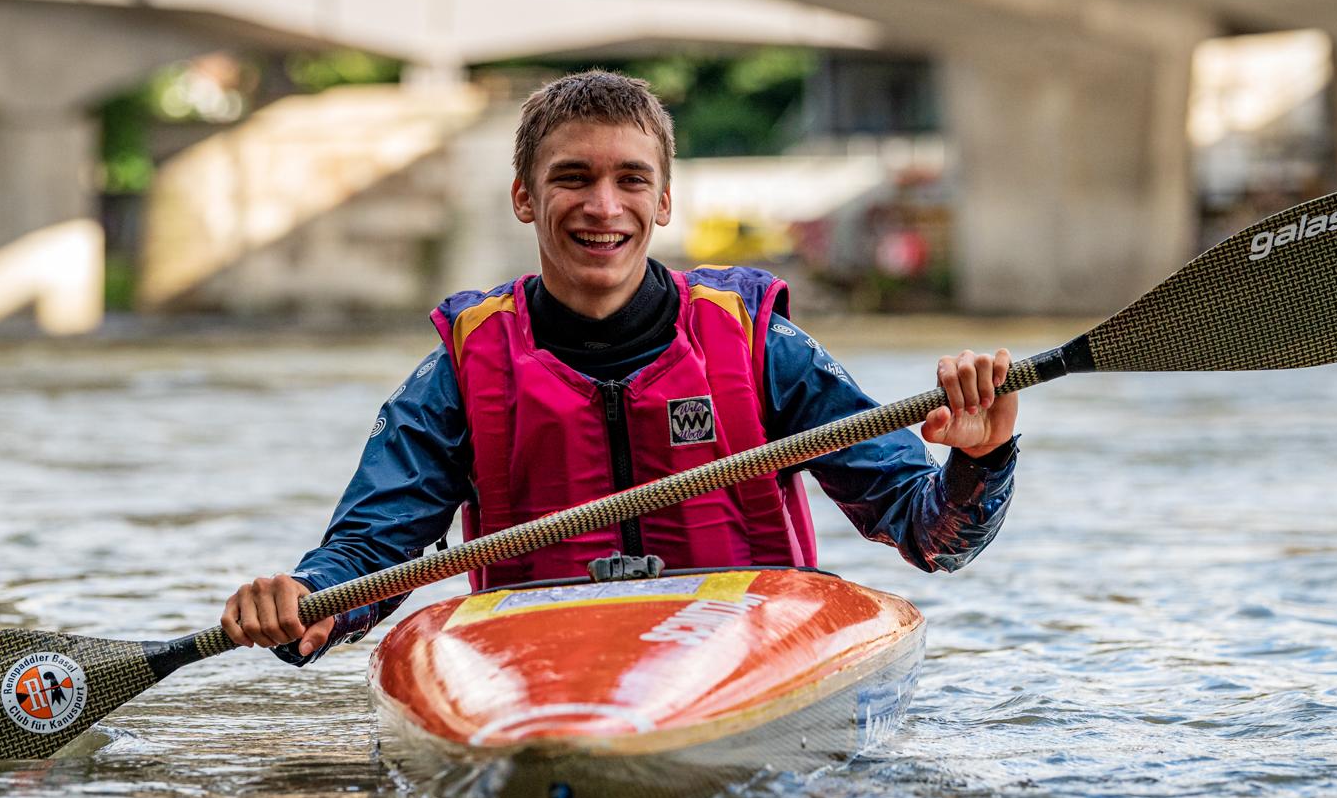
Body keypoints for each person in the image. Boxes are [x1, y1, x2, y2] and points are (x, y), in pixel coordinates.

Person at [221, 70, 1019, 660]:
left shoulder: (761, 349)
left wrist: (979, 459)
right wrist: (303, 602)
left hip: (739, 657)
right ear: (524, 198)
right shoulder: (460, 377)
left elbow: (932, 535)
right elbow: (365, 558)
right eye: (573, 178)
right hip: (540, 663)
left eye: (630, 180)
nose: (604, 206)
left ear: (664, 202)